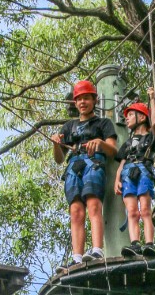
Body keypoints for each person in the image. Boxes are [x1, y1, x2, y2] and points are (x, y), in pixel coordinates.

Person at [50, 80, 118, 270]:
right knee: (75, 211)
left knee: (93, 204)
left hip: (94, 163)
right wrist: (56, 144)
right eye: (79, 99)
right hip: (74, 166)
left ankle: (97, 249)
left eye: (86, 98)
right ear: (75, 102)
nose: (82, 102)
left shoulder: (103, 123)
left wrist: (100, 143)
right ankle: (77, 257)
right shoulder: (69, 127)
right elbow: (59, 159)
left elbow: (113, 150)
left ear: (94, 100)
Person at [114, 89, 155, 258]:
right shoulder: (127, 143)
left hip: (143, 171)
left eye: (131, 115)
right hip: (128, 173)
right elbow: (122, 162)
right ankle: (135, 244)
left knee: (145, 209)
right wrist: (117, 179)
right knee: (132, 211)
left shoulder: (151, 138)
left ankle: (149, 243)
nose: (127, 118)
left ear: (141, 117)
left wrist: (152, 99)